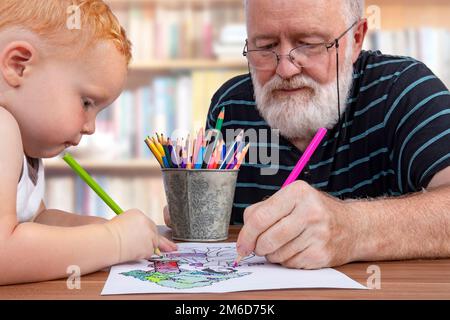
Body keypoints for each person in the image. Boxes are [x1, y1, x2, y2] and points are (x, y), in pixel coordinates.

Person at [203, 0, 450, 269]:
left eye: (309, 43)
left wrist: (354, 229)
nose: (285, 69)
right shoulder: (229, 109)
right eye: (265, 46)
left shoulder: (404, 91)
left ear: (356, 39)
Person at [0, 0, 176, 285]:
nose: (91, 127)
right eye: (86, 102)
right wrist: (113, 240)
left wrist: (101, 228)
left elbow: (37, 221)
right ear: (18, 65)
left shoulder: (24, 148)